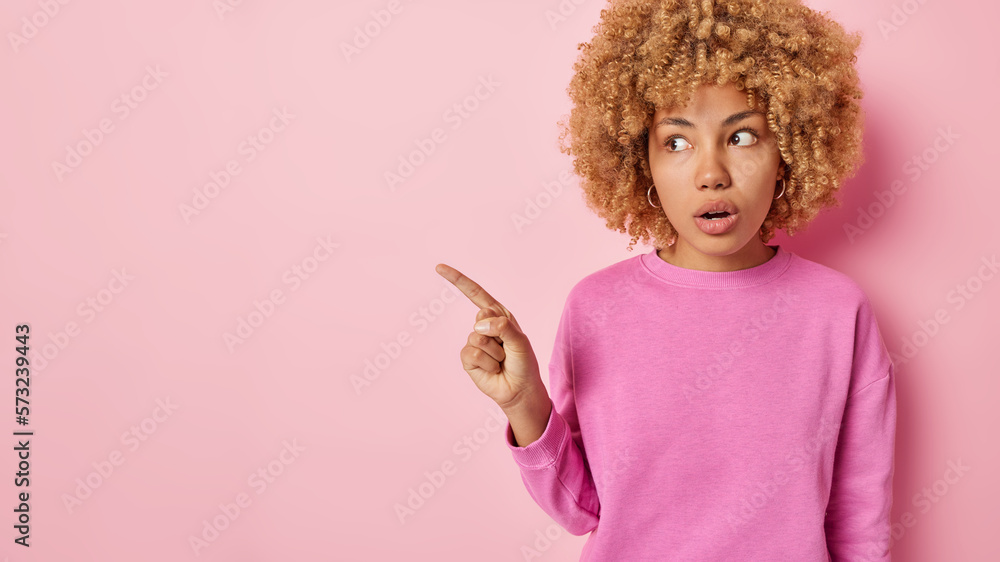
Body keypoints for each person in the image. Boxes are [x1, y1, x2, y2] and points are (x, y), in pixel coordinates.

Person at [435, 0, 895, 559]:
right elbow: (581, 510)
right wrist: (526, 403)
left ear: (790, 152)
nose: (711, 174)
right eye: (676, 142)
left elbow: (859, 520)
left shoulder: (837, 311)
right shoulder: (595, 307)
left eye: (743, 136)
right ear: (640, 161)